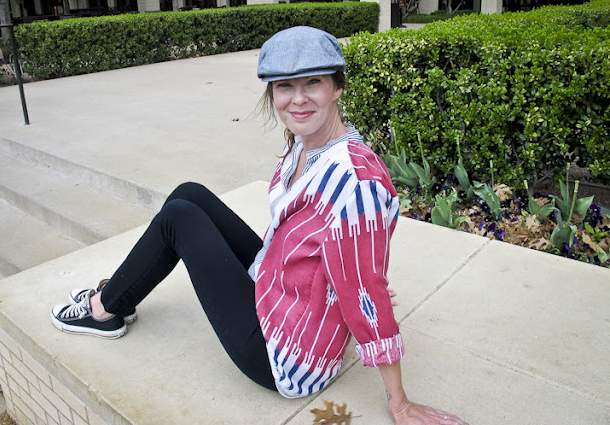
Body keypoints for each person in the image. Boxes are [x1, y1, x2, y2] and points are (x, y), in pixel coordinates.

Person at [51, 26, 468, 425]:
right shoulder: (307, 146)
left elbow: (366, 291)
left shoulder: (354, 183)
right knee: (189, 193)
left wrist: (400, 403)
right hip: (275, 285)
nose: (298, 99)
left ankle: (104, 309)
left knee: (179, 216)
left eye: (313, 83)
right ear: (272, 92)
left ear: (337, 88)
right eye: (285, 86)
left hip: (286, 355)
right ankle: (117, 296)